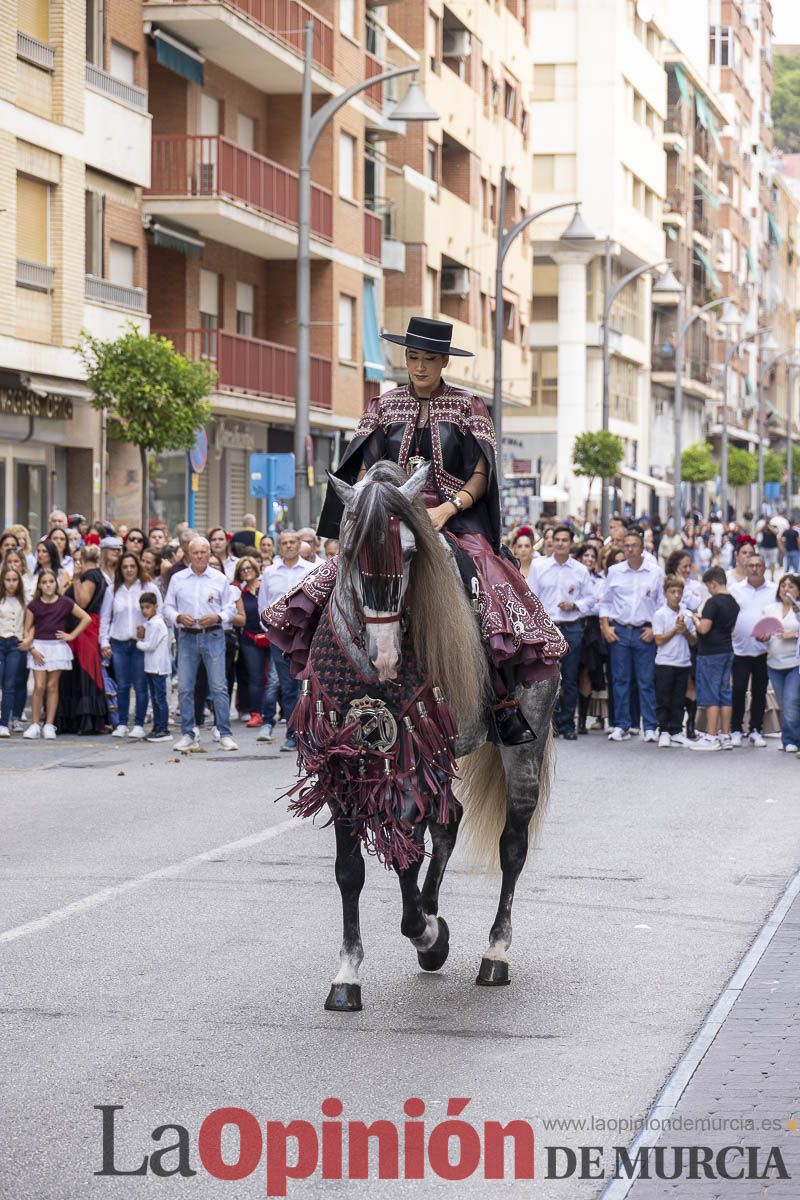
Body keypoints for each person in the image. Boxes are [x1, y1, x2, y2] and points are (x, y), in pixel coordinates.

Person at [314, 316, 566, 746]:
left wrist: (447, 509)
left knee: (483, 578)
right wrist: (365, 502)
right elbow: (361, 466)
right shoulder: (382, 405)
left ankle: (499, 700)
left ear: (444, 360)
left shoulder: (470, 407)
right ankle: (314, 683)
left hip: (453, 516)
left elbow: (481, 476)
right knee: (328, 580)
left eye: (429, 359)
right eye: (413, 357)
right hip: (389, 516)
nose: (419, 366)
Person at [163, 537, 239, 752]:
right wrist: (178, 617)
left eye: (203, 552)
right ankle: (188, 733)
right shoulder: (178, 579)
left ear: (209, 554)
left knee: (218, 686)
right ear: (188, 554)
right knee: (186, 687)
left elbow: (231, 609)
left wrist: (217, 617)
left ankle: (224, 733)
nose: (199, 556)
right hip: (186, 636)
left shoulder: (219, 578)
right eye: (195, 552)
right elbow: (167, 607)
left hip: (213, 634)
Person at [599, 529, 664, 742]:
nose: (629, 549)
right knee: (620, 681)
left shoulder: (654, 572)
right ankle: (621, 725)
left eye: (633, 545)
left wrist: (655, 628)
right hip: (619, 631)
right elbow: (606, 601)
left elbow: (661, 604)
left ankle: (651, 726)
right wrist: (605, 626)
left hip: (643, 632)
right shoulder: (615, 571)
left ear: (642, 547)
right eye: (626, 545)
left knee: (646, 681)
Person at [529, 526, 594, 739]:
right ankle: (550, 724)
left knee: (571, 678)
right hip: (548, 627)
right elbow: (531, 597)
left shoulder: (580, 570)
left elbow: (591, 599)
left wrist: (574, 605)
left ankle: (567, 724)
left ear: (571, 543)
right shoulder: (539, 566)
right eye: (556, 539)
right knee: (548, 677)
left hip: (572, 627)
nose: (560, 543)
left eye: (564, 540)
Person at [257, 531, 313, 750]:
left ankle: (310, 734)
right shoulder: (270, 573)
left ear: (299, 545)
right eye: (284, 543)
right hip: (279, 639)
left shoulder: (310, 571)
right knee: (288, 687)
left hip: (305, 638)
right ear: (279, 547)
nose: (288, 546)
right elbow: (264, 606)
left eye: (292, 542)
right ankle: (293, 735)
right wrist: (272, 631)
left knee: (307, 686)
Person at [20, 569, 90, 739]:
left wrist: (71, 635)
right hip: (38, 647)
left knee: (52, 686)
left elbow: (86, 618)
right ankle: (35, 724)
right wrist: (32, 649)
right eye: (44, 582)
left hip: (57, 647)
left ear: (56, 583)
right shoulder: (34, 605)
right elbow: (26, 630)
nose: (48, 585)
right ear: (40, 586)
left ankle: (49, 725)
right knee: (38, 686)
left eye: (51, 581)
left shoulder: (65, 602)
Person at [100, 553, 160, 741]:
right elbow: (105, 618)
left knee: (141, 686)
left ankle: (140, 724)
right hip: (118, 643)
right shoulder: (112, 590)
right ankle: (122, 724)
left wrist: (149, 631)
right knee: (123, 686)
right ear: (120, 569)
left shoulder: (148, 587)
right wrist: (104, 641)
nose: (128, 570)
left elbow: (160, 613)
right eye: (125, 567)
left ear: (138, 567)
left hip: (140, 644)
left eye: (132, 566)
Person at [58, 545, 108, 736]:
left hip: (83, 631)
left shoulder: (90, 576)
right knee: (78, 673)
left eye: (78, 559)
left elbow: (82, 602)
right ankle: (77, 720)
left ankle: (86, 720)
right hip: (80, 629)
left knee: (84, 673)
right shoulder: (95, 575)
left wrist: (77, 578)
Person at [729, 553, 777, 747]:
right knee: (738, 690)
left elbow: (779, 616)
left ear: (764, 567)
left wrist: (771, 633)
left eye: (759, 565)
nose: (755, 568)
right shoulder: (735, 590)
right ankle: (735, 729)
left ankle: (756, 729)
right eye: (751, 565)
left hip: (764, 650)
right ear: (745, 567)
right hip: (740, 649)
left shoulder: (774, 590)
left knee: (759, 691)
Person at [689, 566, 740, 752]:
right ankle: (725, 735)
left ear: (713, 583)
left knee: (711, 693)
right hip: (727, 649)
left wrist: (695, 620)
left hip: (710, 652)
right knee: (725, 692)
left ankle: (711, 736)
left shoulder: (712, 602)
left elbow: (704, 629)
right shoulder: (734, 603)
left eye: (708, 587)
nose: (708, 590)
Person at [652, 574, 695, 748]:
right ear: (665, 593)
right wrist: (674, 629)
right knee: (664, 699)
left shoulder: (687, 614)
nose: (676, 595)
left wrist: (684, 630)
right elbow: (659, 639)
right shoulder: (660, 614)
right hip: (664, 662)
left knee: (678, 699)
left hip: (683, 662)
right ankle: (663, 730)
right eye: (672, 592)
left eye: (679, 592)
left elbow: (693, 641)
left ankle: (676, 730)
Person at [761, 574, 800, 753]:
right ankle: (788, 738)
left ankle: (792, 740)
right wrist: (763, 636)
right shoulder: (770, 609)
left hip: (795, 663)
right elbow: (762, 633)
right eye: (783, 585)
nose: (786, 589)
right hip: (774, 663)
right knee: (784, 703)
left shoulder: (798, 609)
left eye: (791, 586)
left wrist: (794, 635)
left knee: (791, 701)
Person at [234, 555, 269, 728]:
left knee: (274, 678)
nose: (246, 572)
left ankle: (275, 711)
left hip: (271, 636)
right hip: (250, 638)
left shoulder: (265, 587)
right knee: (255, 678)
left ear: (256, 570)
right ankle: (256, 713)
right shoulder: (240, 593)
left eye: (249, 568)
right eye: (243, 569)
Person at [135, 592, 172, 743]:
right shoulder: (150, 623)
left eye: (148, 607)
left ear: (156, 607)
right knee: (155, 698)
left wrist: (137, 642)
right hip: (151, 666)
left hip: (158, 667)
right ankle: (157, 727)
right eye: (142, 608)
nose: (145, 611)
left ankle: (163, 728)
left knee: (160, 698)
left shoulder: (157, 624)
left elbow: (150, 645)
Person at [0, 563, 27, 737]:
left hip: (15, 644)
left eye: (14, 580)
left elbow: (30, 623)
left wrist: (27, 638)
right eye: (8, 580)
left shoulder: (24, 601)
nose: (11, 583)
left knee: (10, 685)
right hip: (0, 642)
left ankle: (4, 723)